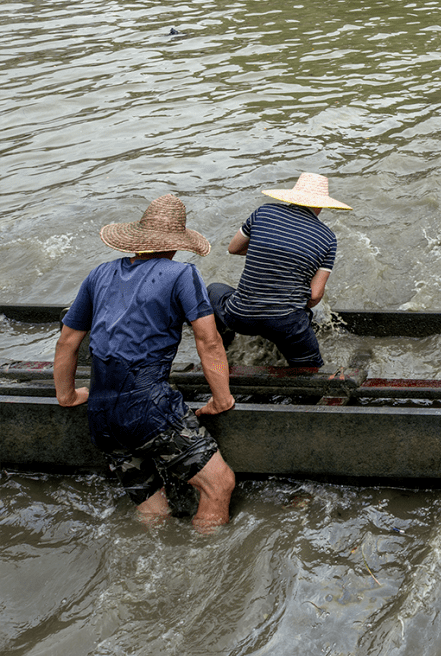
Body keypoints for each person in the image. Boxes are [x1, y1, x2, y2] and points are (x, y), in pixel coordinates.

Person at [53, 194, 236, 529]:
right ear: (178, 243)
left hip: (102, 419)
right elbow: (209, 342)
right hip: (148, 410)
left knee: (153, 510)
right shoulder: (182, 274)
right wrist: (221, 399)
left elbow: (68, 341)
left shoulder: (99, 274)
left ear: (136, 240)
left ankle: (159, 556)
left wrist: (66, 396)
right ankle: (204, 572)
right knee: (219, 483)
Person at [208, 172, 351, 368]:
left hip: (241, 316)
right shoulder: (327, 238)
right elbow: (315, 295)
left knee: (213, 290)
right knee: (311, 368)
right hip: (286, 323)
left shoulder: (263, 212)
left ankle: (222, 346)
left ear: (292, 197)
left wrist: (264, 250)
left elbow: (233, 248)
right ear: (321, 205)